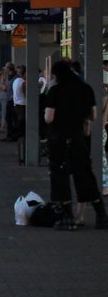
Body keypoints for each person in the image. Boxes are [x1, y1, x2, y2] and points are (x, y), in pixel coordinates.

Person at [43, 60, 108, 229]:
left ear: (57, 74)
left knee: (60, 175)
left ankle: (67, 217)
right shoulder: (86, 89)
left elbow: (49, 117)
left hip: (58, 138)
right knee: (85, 174)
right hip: (79, 138)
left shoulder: (55, 90)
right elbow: (93, 115)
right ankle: (101, 215)